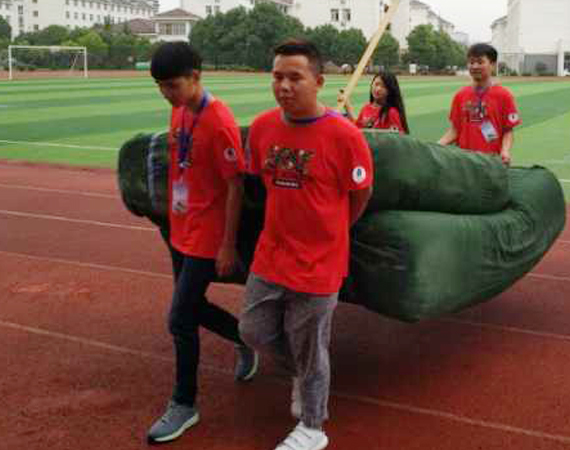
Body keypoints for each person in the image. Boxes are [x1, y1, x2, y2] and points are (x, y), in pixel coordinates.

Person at [239, 39, 373, 450]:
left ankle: (313, 428)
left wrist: (335, 230)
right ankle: (301, 373)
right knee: (253, 330)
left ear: (318, 81)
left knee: (313, 348)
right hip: (272, 253)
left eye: (294, 77)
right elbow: (262, 183)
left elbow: (361, 193)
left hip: (320, 262)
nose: (284, 85)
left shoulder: (345, 136)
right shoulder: (262, 128)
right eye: (277, 76)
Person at [146, 42, 258, 444]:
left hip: (207, 236)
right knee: (191, 307)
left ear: (196, 77)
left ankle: (184, 403)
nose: (166, 94)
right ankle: (246, 339)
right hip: (180, 227)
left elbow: (235, 186)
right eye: (160, 87)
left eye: (172, 85)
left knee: (179, 318)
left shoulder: (220, 122)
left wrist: (227, 245)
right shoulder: (178, 110)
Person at [438, 43, 521, 165]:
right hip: (463, 162)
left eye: (480, 62)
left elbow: (508, 130)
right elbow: (455, 130)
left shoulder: (504, 96)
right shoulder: (460, 96)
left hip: (491, 162)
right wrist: (436, 146)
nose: (475, 66)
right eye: (471, 62)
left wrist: (505, 151)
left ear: (492, 65)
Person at [338, 71, 410, 134]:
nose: (378, 89)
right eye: (376, 84)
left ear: (390, 90)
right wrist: (346, 104)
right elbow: (358, 129)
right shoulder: (366, 107)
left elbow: (398, 139)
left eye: (383, 86)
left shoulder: (391, 113)